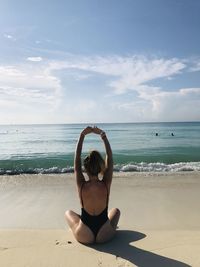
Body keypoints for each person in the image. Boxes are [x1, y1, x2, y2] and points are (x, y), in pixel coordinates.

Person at [65, 126, 120, 244]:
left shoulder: (81, 184)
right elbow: (110, 159)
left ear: (86, 169)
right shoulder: (106, 183)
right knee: (116, 211)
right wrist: (103, 136)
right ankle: (108, 227)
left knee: (68, 213)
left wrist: (82, 135)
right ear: (101, 167)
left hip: (85, 235)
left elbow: (76, 160)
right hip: (104, 234)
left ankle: (81, 220)